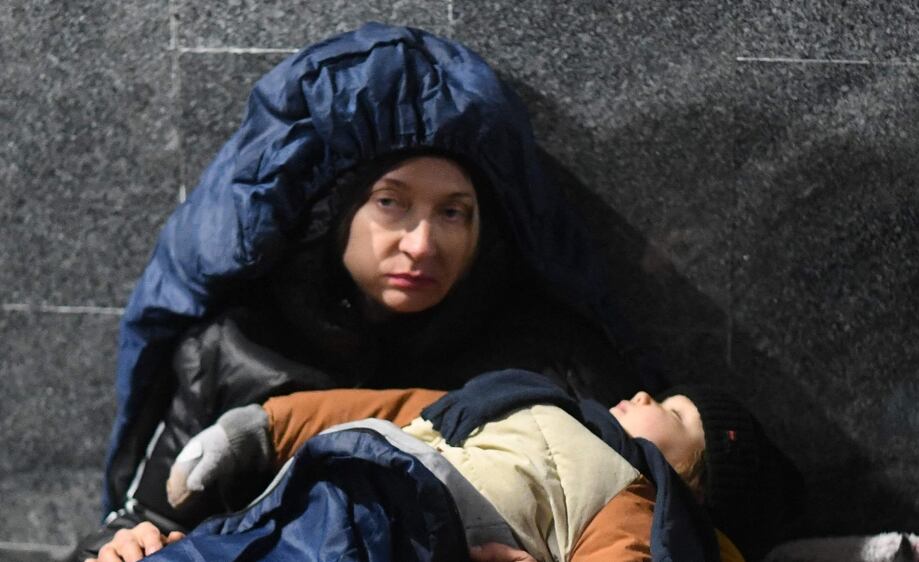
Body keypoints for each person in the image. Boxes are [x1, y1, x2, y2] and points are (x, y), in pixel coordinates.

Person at [76, 22, 649, 561]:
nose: (423, 244)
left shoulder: (551, 364)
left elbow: (650, 517)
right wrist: (123, 544)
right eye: (390, 202)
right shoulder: (232, 351)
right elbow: (140, 516)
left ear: (484, 232)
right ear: (334, 211)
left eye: (454, 212)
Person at [88, 370, 803, 562]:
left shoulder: (634, 498)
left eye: (675, 416)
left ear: (693, 485)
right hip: (323, 482)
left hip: (406, 522)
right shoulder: (527, 395)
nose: (648, 395)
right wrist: (263, 427)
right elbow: (398, 403)